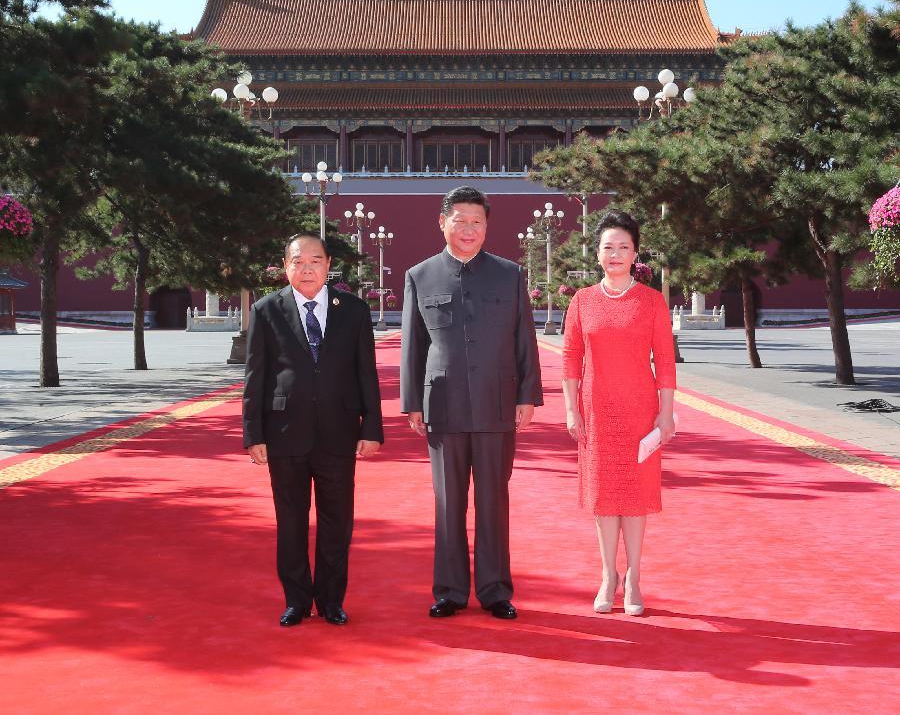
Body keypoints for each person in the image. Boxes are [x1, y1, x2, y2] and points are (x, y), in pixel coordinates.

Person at [401, 186, 543, 620]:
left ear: (487, 227)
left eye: (476, 222)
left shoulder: (509, 274)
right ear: (441, 223)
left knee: (493, 500)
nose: (468, 229)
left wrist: (527, 395)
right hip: (442, 405)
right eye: (459, 220)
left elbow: (524, 339)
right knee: (448, 503)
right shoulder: (419, 276)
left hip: (497, 403)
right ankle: (449, 590)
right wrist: (413, 402)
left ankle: (495, 589)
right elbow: (413, 346)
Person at [243, 233, 383, 627]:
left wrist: (370, 427)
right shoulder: (267, 310)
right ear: (285, 266)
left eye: (315, 261)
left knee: (337, 520)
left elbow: (365, 374)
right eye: (298, 262)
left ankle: (332, 600)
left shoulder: (353, 311)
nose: (307, 269)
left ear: (328, 264)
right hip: (284, 431)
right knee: (290, 520)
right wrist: (253, 434)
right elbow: (256, 377)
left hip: (338, 431)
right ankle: (296, 600)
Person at [561, 210, 676, 617]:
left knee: (636, 497)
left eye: (623, 247)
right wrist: (571, 410)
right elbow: (571, 358)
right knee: (604, 497)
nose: (615, 254)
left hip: (641, 411)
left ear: (635, 254)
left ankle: (635, 577)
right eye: (608, 247)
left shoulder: (651, 302)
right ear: (597, 254)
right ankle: (609, 575)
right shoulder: (582, 301)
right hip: (596, 410)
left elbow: (664, 359)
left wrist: (667, 413)